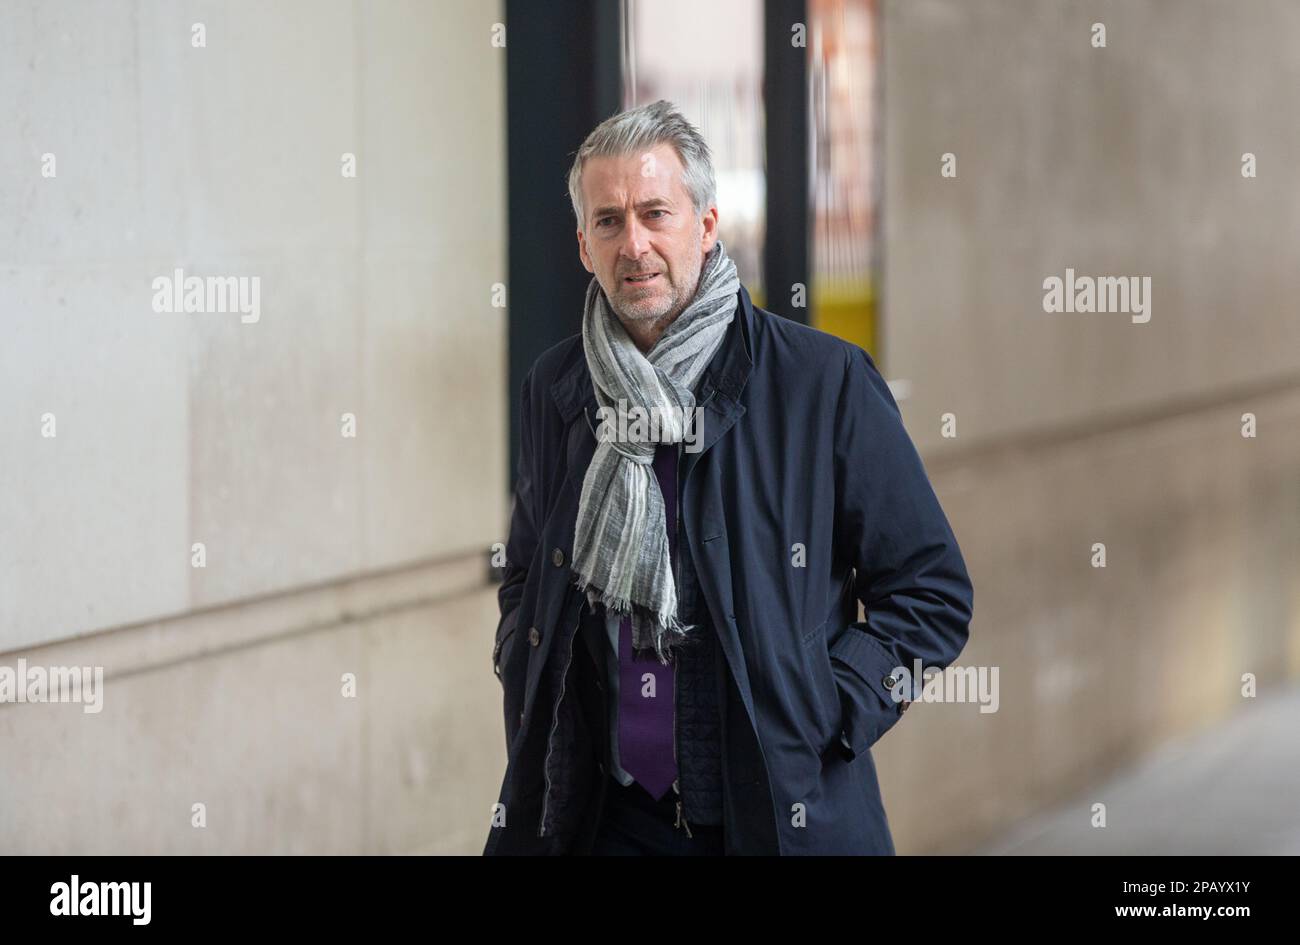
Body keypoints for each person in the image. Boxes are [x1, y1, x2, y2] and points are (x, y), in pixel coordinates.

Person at [485, 100, 973, 856]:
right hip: (603, 821)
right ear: (583, 244)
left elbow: (932, 592)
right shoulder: (559, 386)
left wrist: (828, 708)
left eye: (655, 213)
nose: (634, 244)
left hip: (777, 819)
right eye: (609, 222)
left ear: (707, 224)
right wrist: (519, 648)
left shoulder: (821, 383)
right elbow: (525, 572)